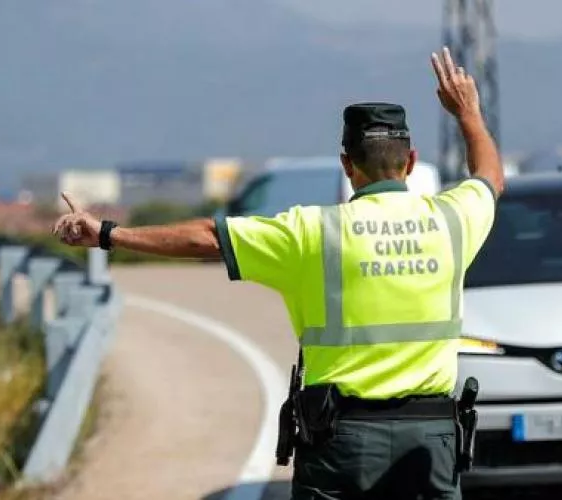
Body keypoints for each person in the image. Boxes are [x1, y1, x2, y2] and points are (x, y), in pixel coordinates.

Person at [52, 46, 504, 500]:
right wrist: (467, 112)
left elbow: (208, 237)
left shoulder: (312, 231)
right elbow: (488, 177)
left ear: (347, 165)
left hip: (342, 441)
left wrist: (107, 234)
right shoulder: (452, 220)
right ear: (410, 161)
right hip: (429, 438)